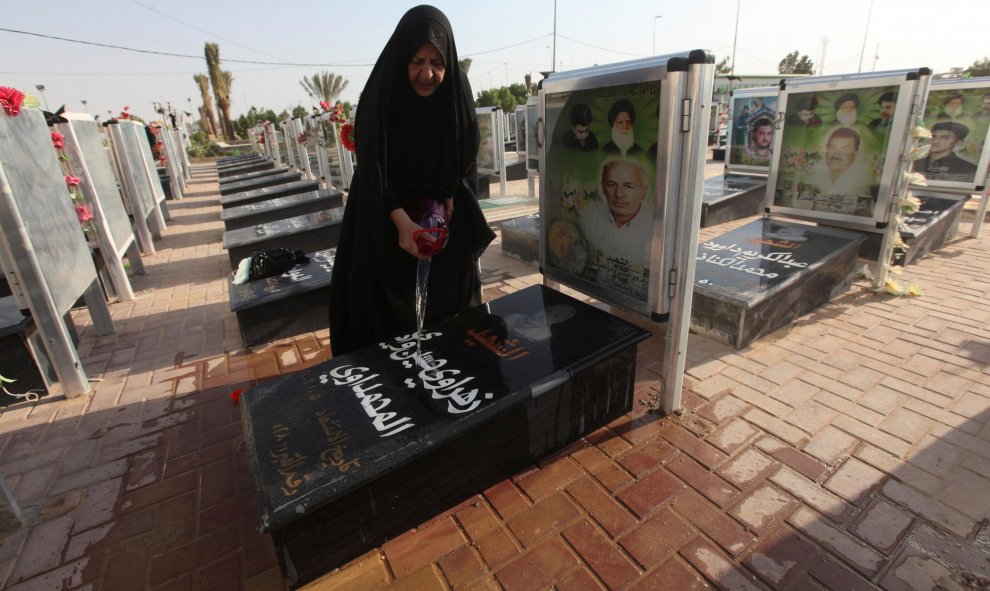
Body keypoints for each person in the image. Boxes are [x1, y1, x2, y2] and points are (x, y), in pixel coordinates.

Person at [328, 5, 495, 355]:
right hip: (388, 216)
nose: (427, 74)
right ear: (402, 58)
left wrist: (449, 196)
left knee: (451, 313)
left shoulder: (454, 95)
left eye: (437, 64)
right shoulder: (383, 96)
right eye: (417, 61)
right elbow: (374, 166)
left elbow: (464, 152)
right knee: (388, 321)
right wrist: (402, 222)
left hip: (442, 222)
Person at [578, 159, 651, 266]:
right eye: (611, 184)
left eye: (629, 186)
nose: (619, 194)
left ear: (644, 191)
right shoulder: (589, 217)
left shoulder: (653, 230)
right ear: (603, 187)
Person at [808, 127, 875, 200]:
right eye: (832, 147)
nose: (837, 153)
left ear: (855, 155)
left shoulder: (862, 183)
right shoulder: (814, 175)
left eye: (845, 149)